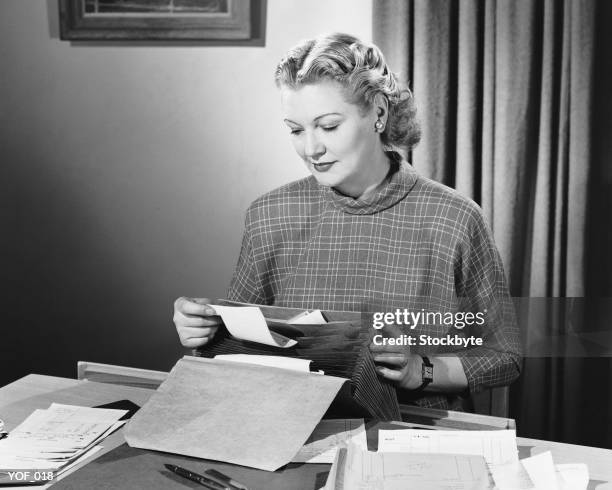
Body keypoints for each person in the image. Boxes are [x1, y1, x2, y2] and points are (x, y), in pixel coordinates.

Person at [173, 33, 521, 410]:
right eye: (295, 129)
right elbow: (240, 346)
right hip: (287, 422)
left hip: (408, 434)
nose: (311, 149)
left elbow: (504, 355)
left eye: (328, 126)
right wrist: (204, 332)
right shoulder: (270, 214)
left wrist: (420, 369)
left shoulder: (453, 217)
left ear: (378, 114)